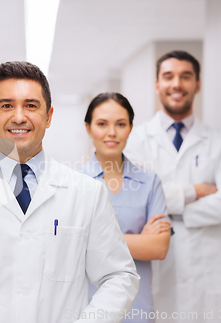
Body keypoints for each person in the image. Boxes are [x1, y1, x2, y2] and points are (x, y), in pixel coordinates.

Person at [0, 61, 139, 323]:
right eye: (7, 105)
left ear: (49, 117)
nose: (19, 116)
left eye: (31, 105)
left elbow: (119, 276)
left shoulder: (87, 193)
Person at [124, 51, 221, 322]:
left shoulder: (220, 141)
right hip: (154, 266)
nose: (176, 84)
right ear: (157, 85)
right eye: (168, 76)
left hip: (205, 269)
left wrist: (167, 210)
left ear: (197, 84)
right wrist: (194, 192)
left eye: (185, 76)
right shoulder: (135, 140)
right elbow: (135, 202)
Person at [77, 92, 171, 323]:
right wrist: (138, 240)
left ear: (130, 128)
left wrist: (91, 239)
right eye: (102, 124)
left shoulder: (150, 183)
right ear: (88, 128)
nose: (112, 132)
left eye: (120, 124)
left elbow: (158, 248)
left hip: (136, 310)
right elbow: (68, 245)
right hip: (86, 309)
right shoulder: (74, 183)